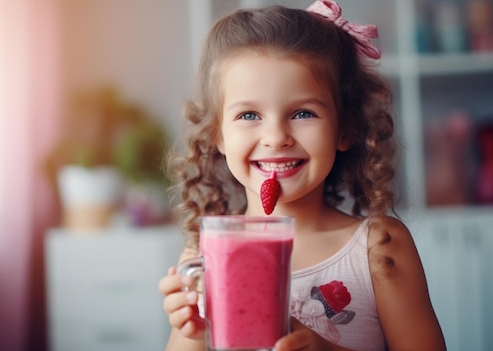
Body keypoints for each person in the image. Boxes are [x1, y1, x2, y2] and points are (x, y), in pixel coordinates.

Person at [158, 1, 446, 350]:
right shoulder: (207, 253)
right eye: (249, 115)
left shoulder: (379, 246)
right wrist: (193, 329)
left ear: (345, 128)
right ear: (217, 134)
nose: (276, 137)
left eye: (303, 113)